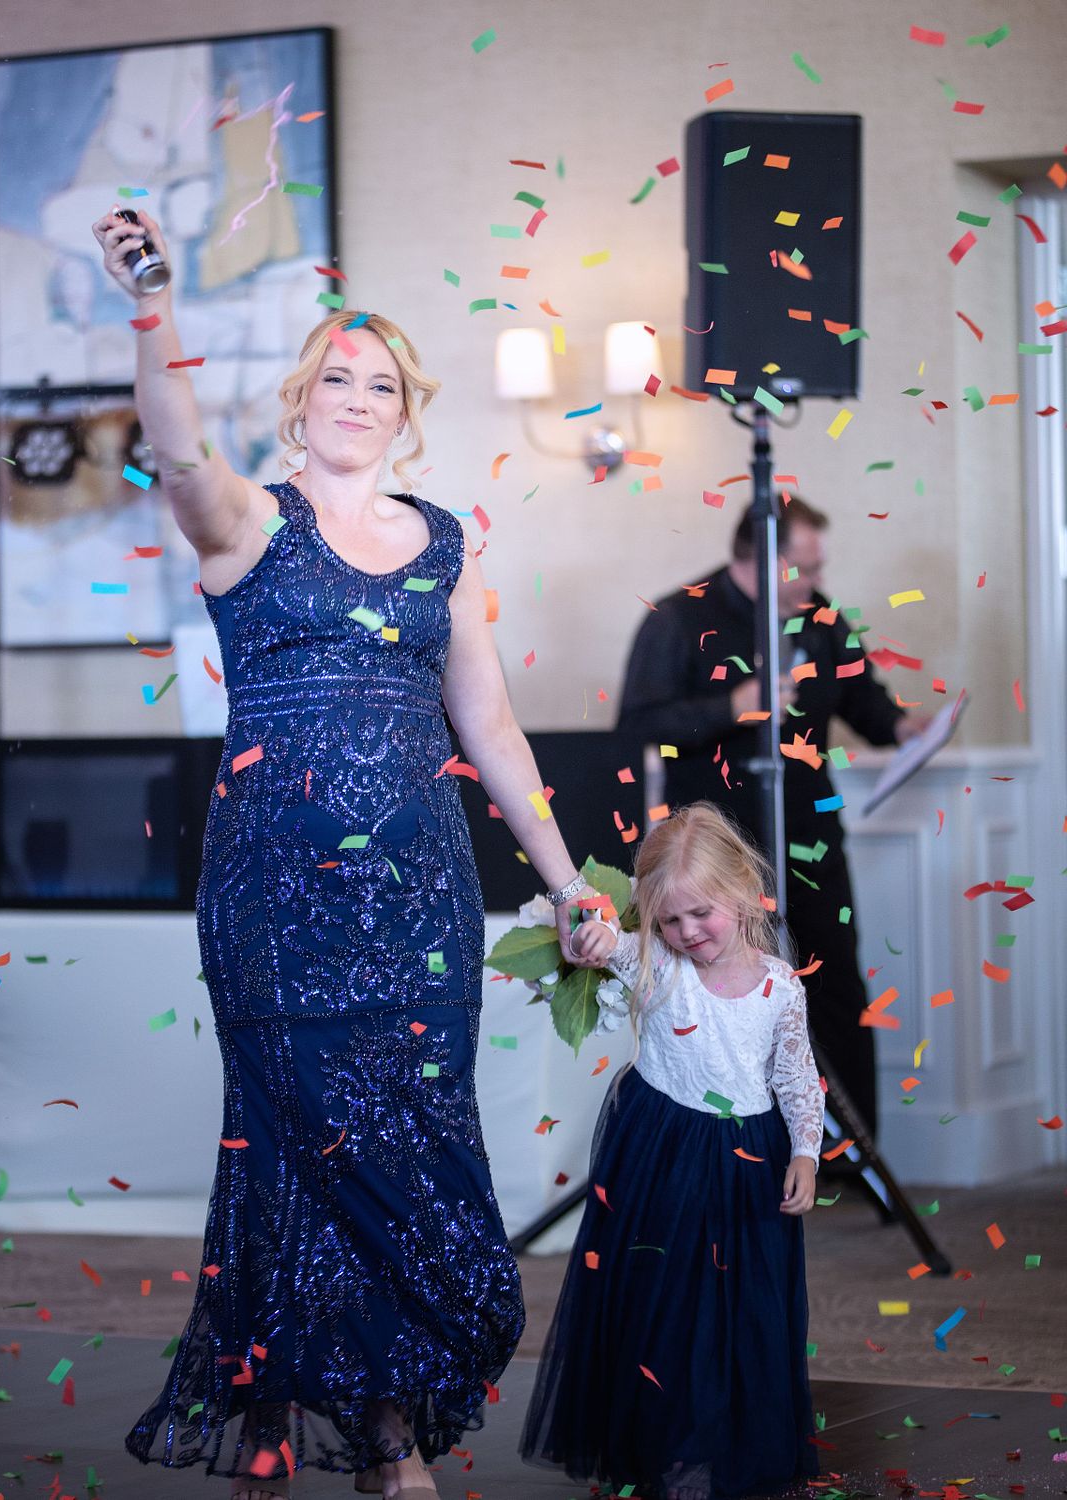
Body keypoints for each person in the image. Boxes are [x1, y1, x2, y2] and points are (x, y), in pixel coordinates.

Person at [92, 206, 596, 1499]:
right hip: (278, 894)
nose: (357, 401)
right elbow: (175, 442)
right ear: (301, 398)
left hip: (423, 893)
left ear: (406, 411)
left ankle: (364, 1413)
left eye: (381, 386)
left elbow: (488, 727)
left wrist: (564, 876)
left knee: (412, 1135)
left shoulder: (443, 546)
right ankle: (353, 1422)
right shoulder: (248, 521)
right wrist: (154, 308)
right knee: (304, 1136)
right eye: (336, 379)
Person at [519, 803, 824, 1500]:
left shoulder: (780, 987)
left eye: (701, 916)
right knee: (665, 1297)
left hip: (747, 1158)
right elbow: (606, 944)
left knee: (742, 1303)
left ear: (744, 892)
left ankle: (734, 1438)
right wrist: (595, 936)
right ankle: (663, 1440)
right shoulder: (658, 964)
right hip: (663, 1152)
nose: (687, 933)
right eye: (669, 921)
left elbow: (796, 1075)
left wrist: (804, 1151)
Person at [617, 498, 927, 1146]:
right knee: (720, 979)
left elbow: (860, 697)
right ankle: (723, 1138)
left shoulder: (821, 617)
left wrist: (902, 726)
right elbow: (640, 723)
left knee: (833, 973)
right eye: (805, 569)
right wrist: (733, 704)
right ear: (762, 557)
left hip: (809, 825)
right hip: (716, 837)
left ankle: (848, 1149)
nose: (816, 583)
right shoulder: (679, 617)